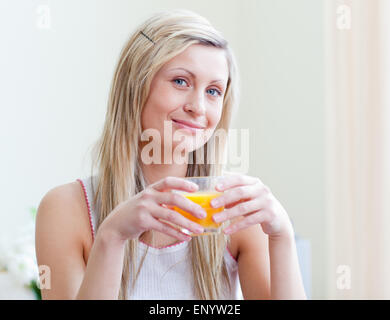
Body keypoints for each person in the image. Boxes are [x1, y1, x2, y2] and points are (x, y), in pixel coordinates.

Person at [35, 9, 306, 300]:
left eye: (213, 91)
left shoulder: (235, 210)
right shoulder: (65, 209)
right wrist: (111, 237)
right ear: (135, 87)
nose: (198, 107)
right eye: (180, 81)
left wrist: (282, 237)